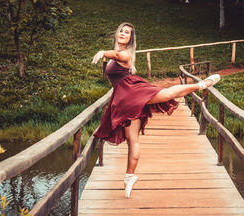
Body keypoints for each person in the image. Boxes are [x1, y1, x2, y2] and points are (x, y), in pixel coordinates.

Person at [92, 22, 220, 198]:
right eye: (121, 30)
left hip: (130, 92)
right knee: (132, 140)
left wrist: (102, 53)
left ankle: (200, 85)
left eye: (127, 32)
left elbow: (114, 54)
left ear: (130, 39)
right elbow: (114, 58)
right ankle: (130, 176)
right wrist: (107, 55)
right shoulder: (118, 54)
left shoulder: (126, 54)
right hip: (124, 98)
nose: (122, 33)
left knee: (166, 94)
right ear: (116, 34)